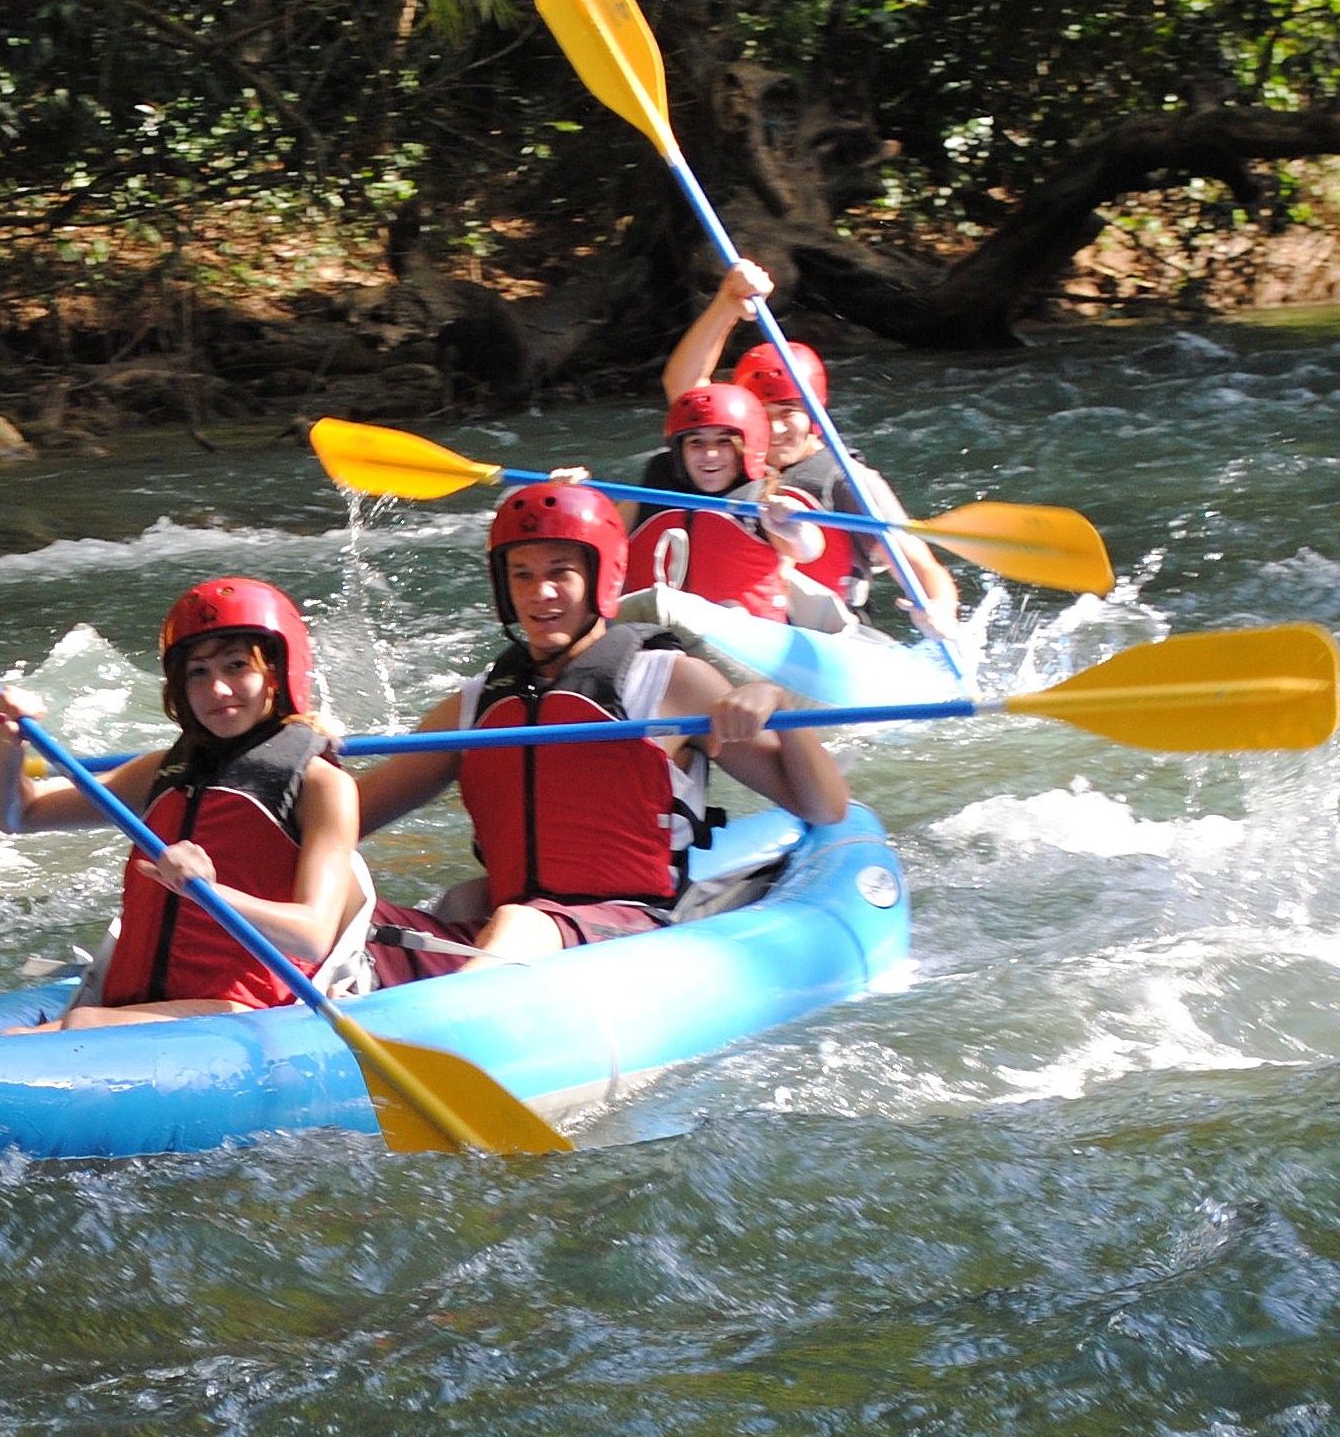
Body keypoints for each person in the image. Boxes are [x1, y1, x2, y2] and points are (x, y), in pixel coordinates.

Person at [352, 482, 850, 975]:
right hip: (504, 939)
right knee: (349, 913)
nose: (539, 592)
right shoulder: (474, 705)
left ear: (602, 578)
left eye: (560, 573)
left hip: (626, 931)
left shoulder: (669, 681)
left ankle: (444, 1032)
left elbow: (822, 807)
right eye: (521, 575)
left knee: (521, 923)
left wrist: (780, 708)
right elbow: (345, 820)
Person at [0, 577, 371, 1034]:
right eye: (198, 673)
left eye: (237, 666)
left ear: (277, 674)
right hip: (140, 1010)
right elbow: (17, 815)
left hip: (247, 1016)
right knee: (21, 1036)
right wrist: (10, 741)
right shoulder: (161, 770)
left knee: (81, 1024)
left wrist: (209, 890)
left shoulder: (322, 784)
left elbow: (314, 934)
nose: (217, 689)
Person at [660, 258, 961, 636]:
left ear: (815, 416)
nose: (775, 427)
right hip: (738, 628)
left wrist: (939, 608)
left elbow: (917, 561)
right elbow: (685, 392)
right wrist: (727, 304)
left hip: (826, 639)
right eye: (762, 413)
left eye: (789, 412)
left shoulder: (847, 481)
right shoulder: (727, 461)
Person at [624, 382, 827, 623]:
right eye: (696, 443)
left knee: (732, 611)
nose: (710, 455)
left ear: (745, 450)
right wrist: (572, 492)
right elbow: (603, 537)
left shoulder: (764, 499)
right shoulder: (649, 494)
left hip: (741, 634)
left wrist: (794, 525)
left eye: (724, 442)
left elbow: (808, 550)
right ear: (680, 452)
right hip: (655, 625)